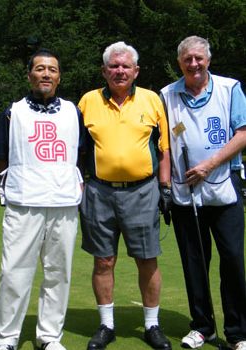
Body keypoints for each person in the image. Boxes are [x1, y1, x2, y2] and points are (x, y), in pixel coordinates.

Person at [78, 41, 172, 350]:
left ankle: (151, 325)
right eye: (114, 66)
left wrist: (166, 187)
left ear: (136, 71)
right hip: (99, 192)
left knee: (147, 259)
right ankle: (107, 325)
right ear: (104, 71)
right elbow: (77, 149)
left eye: (125, 66)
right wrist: (79, 186)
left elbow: (163, 150)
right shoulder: (87, 101)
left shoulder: (152, 100)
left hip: (143, 192)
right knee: (103, 261)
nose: (120, 71)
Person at [160, 35, 246, 350]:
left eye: (199, 58)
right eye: (187, 60)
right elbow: (164, 145)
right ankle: (202, 327)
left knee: (233, 259)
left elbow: (243, 133)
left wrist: (209, 164)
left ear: (207, 59)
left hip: (224, 184)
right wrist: (165, 185)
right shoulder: (167, 94)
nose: (194, 64)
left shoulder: (229, 88)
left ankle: (238, 332)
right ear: (180, 63)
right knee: (194, 261)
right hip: (186, 193)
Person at [0, 48, 84, 350]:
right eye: (40, 69)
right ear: (29, 74)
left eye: (52, 69)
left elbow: (80, 154)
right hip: (24, 203)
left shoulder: (74, 112)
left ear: (59, 77)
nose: (46, 74)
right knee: (14, 273)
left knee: (59, 274)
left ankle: (49, 337)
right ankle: (6, 338)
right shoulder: (12, 112)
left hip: (63, 203)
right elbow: (0, 157)